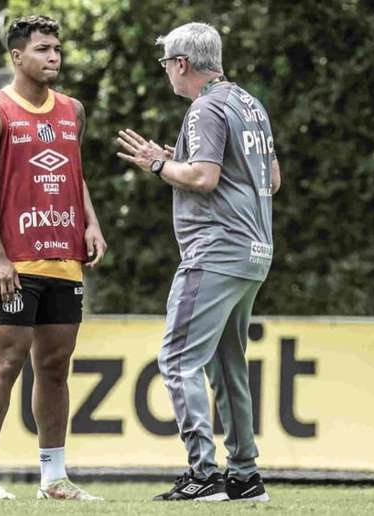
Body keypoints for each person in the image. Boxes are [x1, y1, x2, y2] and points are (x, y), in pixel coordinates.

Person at [116, 22, 280, 502]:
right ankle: (245, 477)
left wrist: (156, 162)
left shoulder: (204, 107)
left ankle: (204, 474)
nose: (166, 70)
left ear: (182, 64)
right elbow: (269, 177)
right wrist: (179, 161)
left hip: (216, 250)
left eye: (166, 62)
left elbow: (205, 179)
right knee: (228, 366)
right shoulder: (250, 104)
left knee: (178, 358)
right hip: (254, 251)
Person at [0, 15, 106, 501]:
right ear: (17, 56)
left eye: (56, 50)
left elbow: (74, 172)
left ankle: (54, 478)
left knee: (55, 367)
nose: (53, 58)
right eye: (43, 49)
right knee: (5, 362)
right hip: (13, 264)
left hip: (64, 260)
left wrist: (90, 222)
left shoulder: (73, 111)